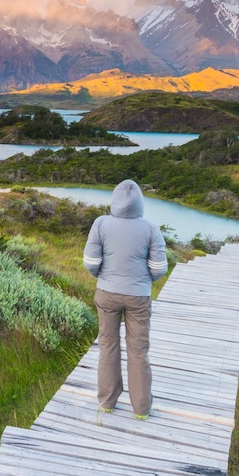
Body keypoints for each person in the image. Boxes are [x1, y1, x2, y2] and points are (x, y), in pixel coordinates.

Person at [82, 179, 167, 419]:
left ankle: (107, 402)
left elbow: (90, 262)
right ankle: (142, 408)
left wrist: (103, 278)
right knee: (139, 350)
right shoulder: (151, 227)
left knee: (108, 345)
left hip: (106, 294)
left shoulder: (101, 223)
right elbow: (159, 267)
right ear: (140, 202)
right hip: (139, 297)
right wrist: (143, 281)